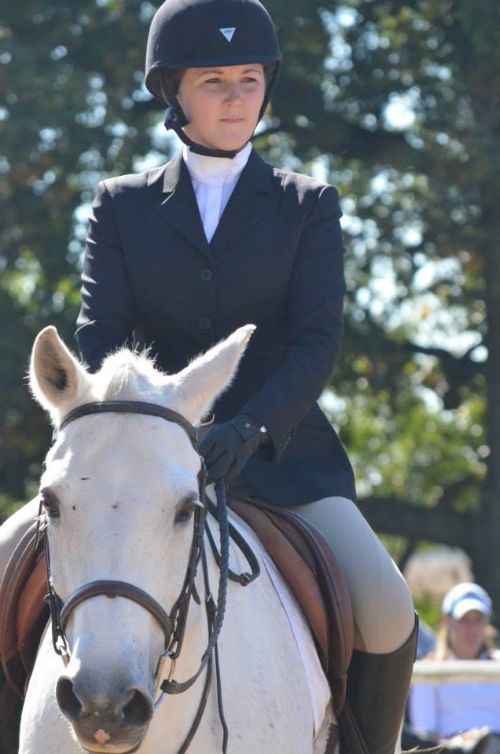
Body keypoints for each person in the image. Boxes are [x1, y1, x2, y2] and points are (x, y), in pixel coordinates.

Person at [0, 1, 417, 751]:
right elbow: (98, 337)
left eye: (250, 79)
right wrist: (164, 425)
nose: (235, 97)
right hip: (138, 461)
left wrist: (250, 428)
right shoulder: (120, 206)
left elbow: (316, 341)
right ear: (174, 91)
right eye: (214, 79)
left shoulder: (307, 206)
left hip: (278, 459)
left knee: (388, 610)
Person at [408, 583, 500, 752]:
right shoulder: (429, 670)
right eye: (464, 619)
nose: (471, 629)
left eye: (478, 620)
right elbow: (425, 732)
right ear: (447, 621)